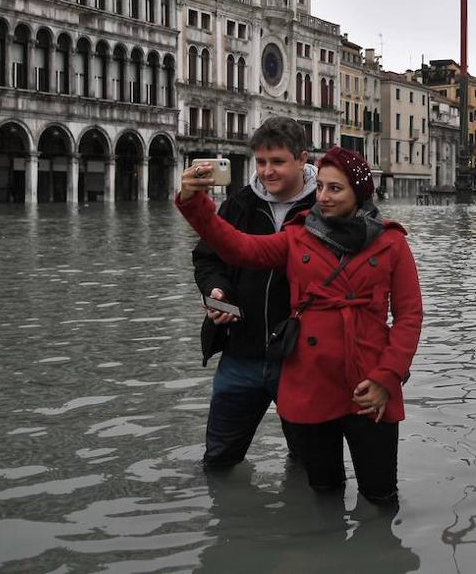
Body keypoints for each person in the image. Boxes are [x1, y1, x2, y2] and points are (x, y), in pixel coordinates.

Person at [177, 147, 422, 504]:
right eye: (320, 186)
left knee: (381, 495)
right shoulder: (297, 237)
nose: (322, 196)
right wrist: (194, 202)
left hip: (369, 383)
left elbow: (409, 316)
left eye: (335, 189)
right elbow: (238, 248)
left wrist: (388, 378)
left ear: (359, 191)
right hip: (311, 382)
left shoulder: (391, 242)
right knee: (323, 492)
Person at [193, 116, 318, 469]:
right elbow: (207, 258)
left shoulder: (324, 209)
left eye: (277, 162)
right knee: (218, 461)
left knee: (310, 464)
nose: (266, 171)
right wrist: (216, 291)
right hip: (239, 352)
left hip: (301, 360)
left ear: (302, 159)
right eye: (261, 162)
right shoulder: (238, 204)